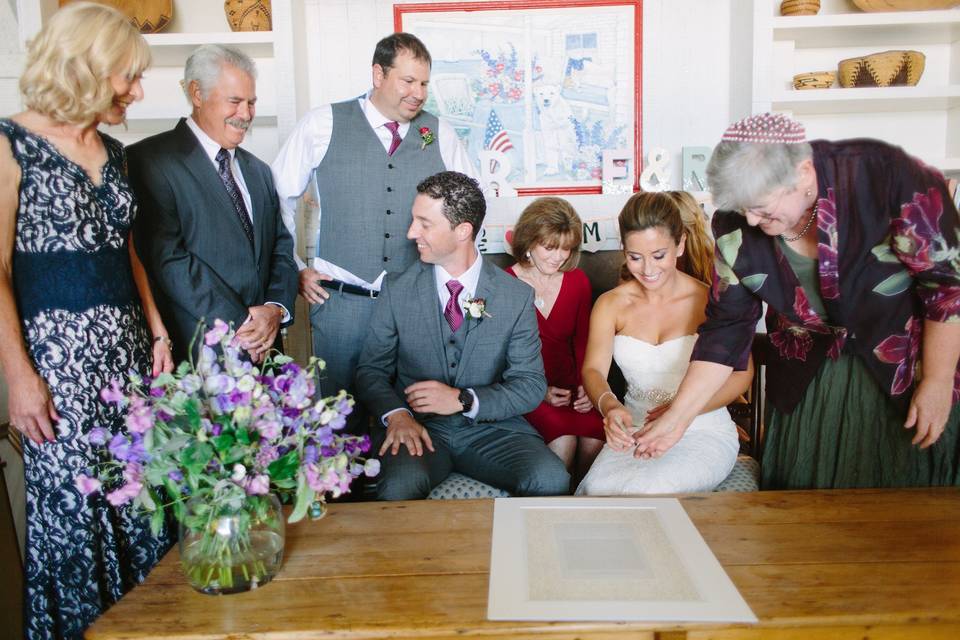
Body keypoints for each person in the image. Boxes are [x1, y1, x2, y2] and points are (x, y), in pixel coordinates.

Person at [638, 113, 960, 490]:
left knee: (904, 504)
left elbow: (946, 288)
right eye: (744, 210)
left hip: (902, 365)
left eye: (761, 208)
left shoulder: (889, 180)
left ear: (803, 174)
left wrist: (937, 380)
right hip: (808, 376)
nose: (752, 222)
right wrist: (678, 417)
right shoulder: (734, 226)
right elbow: (726, 330)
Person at [0, 3, 174, 637]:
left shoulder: (115, 151)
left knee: (144, 500)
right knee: (78, 514)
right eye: (127, 76)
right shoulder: (8, 144)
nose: (136, 90)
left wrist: (156, 327)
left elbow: (125, 250)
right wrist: (19, 378)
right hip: (58, 364)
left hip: (126, 357)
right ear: (87, 69)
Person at [271, 32, 475, 430]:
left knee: (410, 418)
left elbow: (471, 207)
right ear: (378, 74)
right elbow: (276, 197)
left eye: (424, 83)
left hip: (415, 307)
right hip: (341, 302)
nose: (419, 93)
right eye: (408, 81)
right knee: (337, 419)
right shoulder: (323, 123)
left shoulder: (438, 132)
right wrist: (294, 265)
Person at [355, 171, 569, 500]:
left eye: (424, 224)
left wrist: (462, 400)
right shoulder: (396, 289)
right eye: (414, 221)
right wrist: (397, 415)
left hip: (494, 430)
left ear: (462, 231)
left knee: (551, 478)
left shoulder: (515, 296)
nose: (412, 233)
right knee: (398, 487)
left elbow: (529, 385)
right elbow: (371, 371)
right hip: (419, 431)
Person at [128, 45, 298, 364]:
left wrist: (275, 310)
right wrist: (245, 326)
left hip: (266, 356)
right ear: (197, 93)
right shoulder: (149, 161)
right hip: (198, 359)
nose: (246, 114)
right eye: (234, 101)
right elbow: (168, 259)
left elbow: (281, 248)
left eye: (251, 102)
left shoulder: (259, 171)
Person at [577, 191, 751, 495]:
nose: (647, 269)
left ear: (680, 244)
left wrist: (680, 411)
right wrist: (609, 406)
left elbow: (741, 374)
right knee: (597, 488)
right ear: (623, 249)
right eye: (635, 257)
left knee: (649, 490)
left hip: (702, 429)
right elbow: (593, 370)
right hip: (635, 429)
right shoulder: (610, 305)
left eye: (658, 255)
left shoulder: (710, 301)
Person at [505, 197, 604, 483]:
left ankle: (584, 514)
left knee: (594, 439)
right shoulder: (503, 284)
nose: (558, 256)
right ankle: (549, 515)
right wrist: (540, 391)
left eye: (566, 248)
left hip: (574, 390)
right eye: (549, 247)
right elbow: (497, 357)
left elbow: (585, 342)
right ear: (528, 241)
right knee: (564, 441)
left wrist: (589, 386)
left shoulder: (578, 282)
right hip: (526, 389)